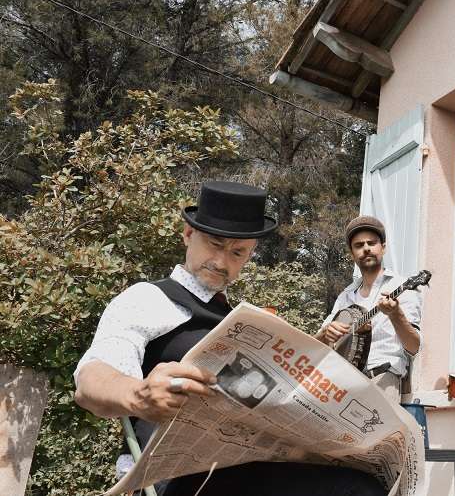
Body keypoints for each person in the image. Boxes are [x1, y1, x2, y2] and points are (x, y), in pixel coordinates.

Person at [74, 181, 385, 496]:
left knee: (362, 483)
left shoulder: (241, 321)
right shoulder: (148, 299)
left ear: (249, 255)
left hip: (245, 470)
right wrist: (138, 395)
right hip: (177, 478)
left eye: (237, 252)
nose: (222, 262)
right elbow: (91, 379)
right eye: (214, 244)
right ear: (187, 234)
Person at [316, 216, 422, 402]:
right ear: (352, 254)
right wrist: (326, 333)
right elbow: (316, 346)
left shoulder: (403, 288)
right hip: (343, 384)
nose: (366, 248)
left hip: (382, 378)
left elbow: (414, 346)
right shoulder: (345, 296)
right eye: (359, 245)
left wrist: (395, 314)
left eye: (371, 243)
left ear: (383, 247)